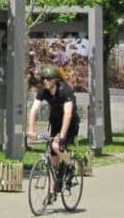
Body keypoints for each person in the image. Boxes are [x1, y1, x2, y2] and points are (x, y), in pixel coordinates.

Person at [27, 65, 80, 200]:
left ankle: (70, 165)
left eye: (48, 79)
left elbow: (68, 114)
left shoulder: (65, 90)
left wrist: (62, 136)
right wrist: (31, 130)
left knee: (56, 146)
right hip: (55, 123)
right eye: (43, 79)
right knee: (53, 161)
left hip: (70, 124)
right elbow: (33, 110)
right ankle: (51, 193)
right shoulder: (43, 91)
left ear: (55, 80)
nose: (45, 81)